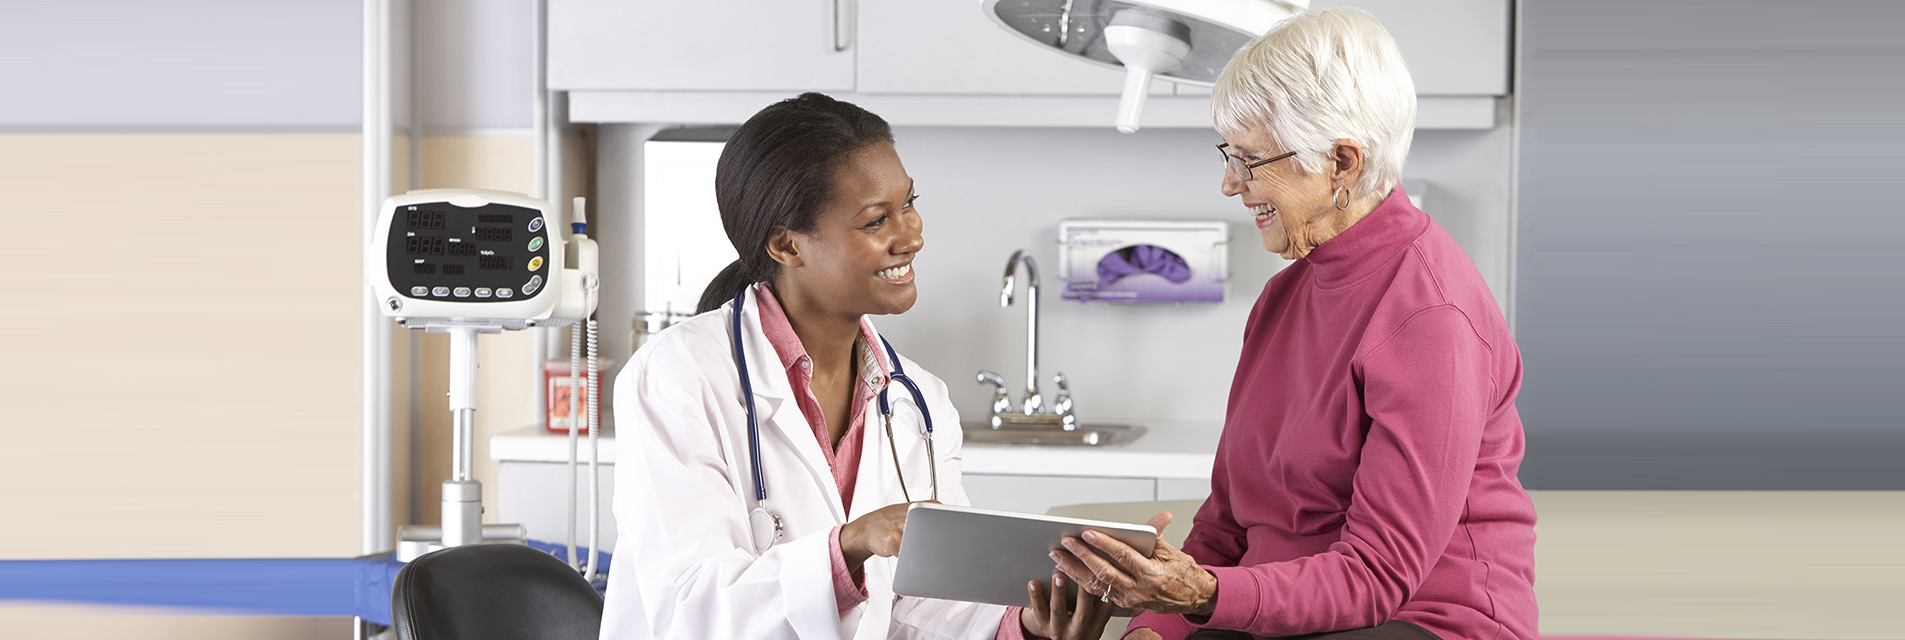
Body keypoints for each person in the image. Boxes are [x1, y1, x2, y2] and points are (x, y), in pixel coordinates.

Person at [1048, 8, 1538, 640]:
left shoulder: (1431, 315)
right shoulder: (1284, 297)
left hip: (1421, 622)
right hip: (1285, 617)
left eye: (1250, 160)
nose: (1229, 183)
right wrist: (1154, 629)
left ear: (1341, 163)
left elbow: (1377, 576)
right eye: (1229, 155)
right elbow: (1225, 524)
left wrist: (1199, 594)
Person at [600, 92, 1112, 640]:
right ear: (787, 245)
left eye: (910, 203)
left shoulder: (919, 401)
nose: (912, 236)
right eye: (876, 220)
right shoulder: (677, 377)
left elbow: (929, 610)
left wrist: (1028, 626)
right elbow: (689, 609)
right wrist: (852, 545)